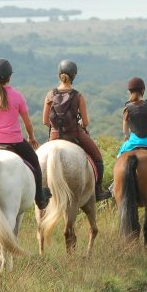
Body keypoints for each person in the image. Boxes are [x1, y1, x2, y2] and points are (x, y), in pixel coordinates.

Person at [0, 58, 50, 210]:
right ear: (10, 77)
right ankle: (40, 197)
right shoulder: (18, 96)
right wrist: (31, 137)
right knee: (34, 163)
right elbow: (27, 123)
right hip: (14, 141)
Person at [42, 60, 111, 201]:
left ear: (59, 74)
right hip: (75, 135)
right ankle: (98, 191)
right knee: (98, 158)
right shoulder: (78, 96)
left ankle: (40, 193)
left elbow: (44, 121)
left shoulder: (50, 95)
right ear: (74, 76)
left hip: (54, 136)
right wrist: (80, 123)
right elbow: (85, 122)